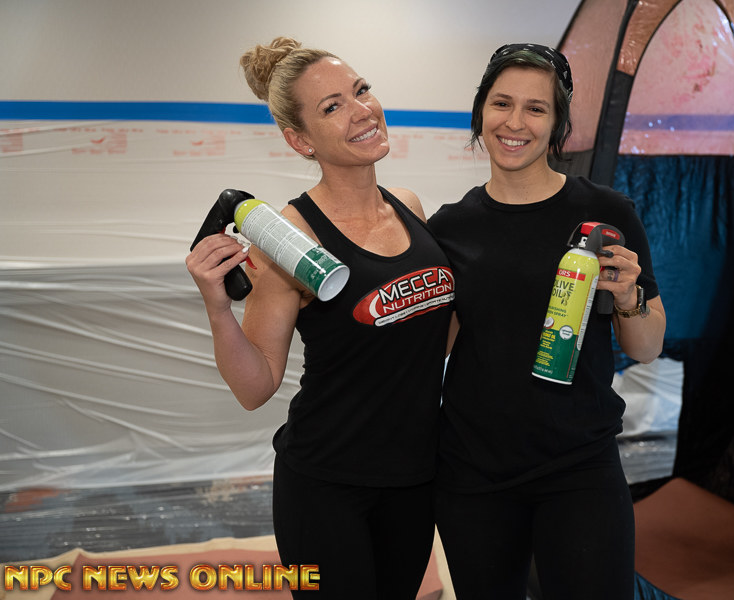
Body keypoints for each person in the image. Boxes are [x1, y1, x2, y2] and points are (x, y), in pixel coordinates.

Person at [185, 37, 454, 599]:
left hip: (414, 476)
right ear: (300, 140)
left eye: (361, 90)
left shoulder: (409, 206)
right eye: (333, 106)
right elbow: (255, 386)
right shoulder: (291, 238)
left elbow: (433, 336)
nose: (361, 110)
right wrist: (217, 304)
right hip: (330, 483)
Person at [427, 43, 666, 600]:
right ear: (480, 112)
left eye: (536, 108)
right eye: (501, 103)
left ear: (558, 123)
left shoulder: (607, 213)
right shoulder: (449, 228)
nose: (515, 122)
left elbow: (647, 346)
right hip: (474, 472)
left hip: (579, 466)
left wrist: (628, 296)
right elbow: (437, 347)